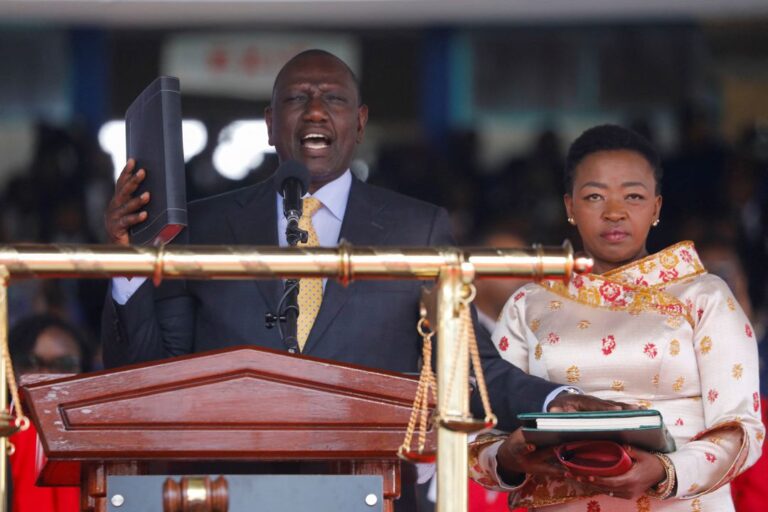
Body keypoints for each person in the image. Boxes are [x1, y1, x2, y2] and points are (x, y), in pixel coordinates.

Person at [101, 50, 620, 510]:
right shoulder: (203, 225)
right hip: (229, 491)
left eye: (334, 98)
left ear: (361, 121)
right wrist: (126, 263)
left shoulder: (417, 227)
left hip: (374, 490)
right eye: (297, 98)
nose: (316, 111)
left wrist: (556, 402)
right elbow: (150, 371)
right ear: (268, 123)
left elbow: (467, 364)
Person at [469, 125, 764, 511]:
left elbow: (742, 430)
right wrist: (506, 459)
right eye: (594, 196)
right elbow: (482, 431)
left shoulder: (704, 296)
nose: (614, 212)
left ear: (656, 207)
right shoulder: (530, 304)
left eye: (634, 196)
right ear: (569, 206)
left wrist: (664, 470)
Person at [9, 314, 87, 512]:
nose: (45, 372)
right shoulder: (7, 428)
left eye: (64, 365)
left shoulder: (99, 431)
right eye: (31, 361)